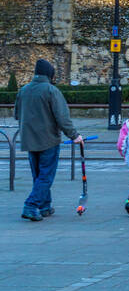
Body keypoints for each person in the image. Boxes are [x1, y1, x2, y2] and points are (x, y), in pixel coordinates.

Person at [14, 59, 83, 221]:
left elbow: (17, 114)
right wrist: (74, 135)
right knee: (46, 175)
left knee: (38, 175)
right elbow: (62, 118)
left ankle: (44, 205)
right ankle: (31, 205)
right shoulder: (51, 91)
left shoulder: (23, 90)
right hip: (48, 140)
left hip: (29, 140)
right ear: (49, 74)